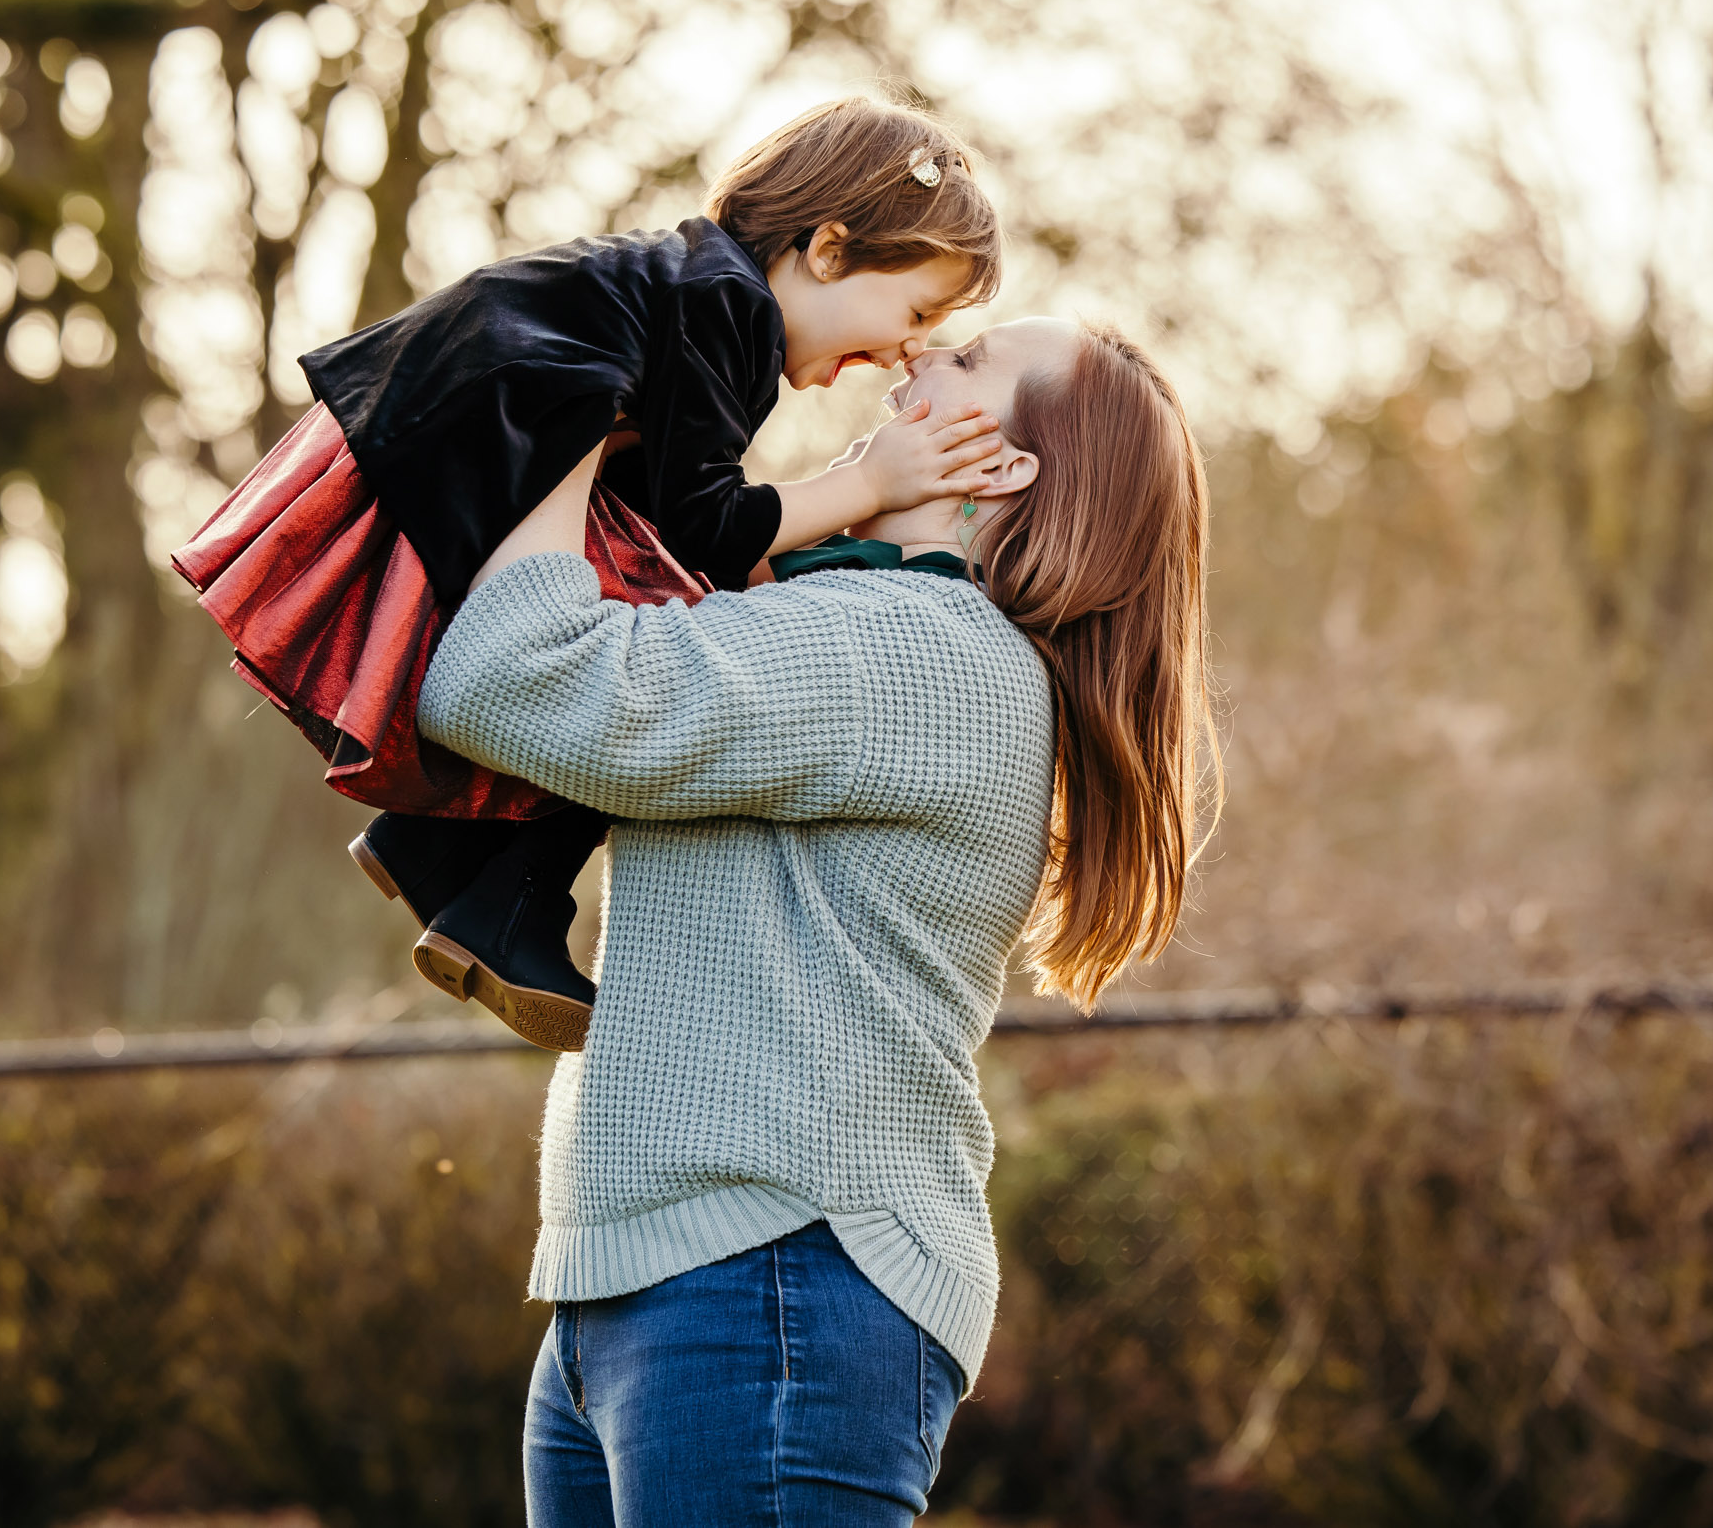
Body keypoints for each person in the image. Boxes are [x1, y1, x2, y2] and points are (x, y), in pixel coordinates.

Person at [415, 316, 1216, 1525]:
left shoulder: (910, 651)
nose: (916, 360)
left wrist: (579, 420)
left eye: (967, 364)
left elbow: (508, 679)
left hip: (773, 1275)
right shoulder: (847, 615)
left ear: (997, 467)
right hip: (663, 1275)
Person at [171, 98, 1004, 1049]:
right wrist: (866, 482)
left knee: (649, 630)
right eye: (916, 310)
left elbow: (674, 512)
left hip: (455, 422)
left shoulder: (698, 288)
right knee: (651, 659)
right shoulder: (726, 308)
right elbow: (707, 526)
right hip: (473, 432)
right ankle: (498, 902)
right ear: (825, 250)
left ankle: (449, 857)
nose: (910, 346)